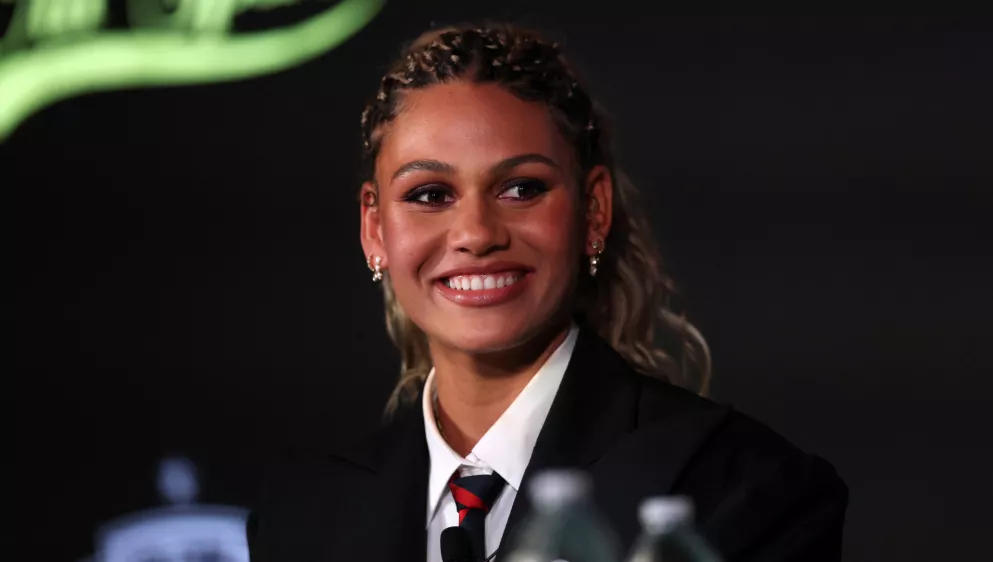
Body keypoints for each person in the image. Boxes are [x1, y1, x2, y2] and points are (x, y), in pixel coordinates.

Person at [246, 23, 848, 562]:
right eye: (430, 195)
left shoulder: (746, 492)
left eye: (521, 189)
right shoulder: (301, 518)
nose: (476, 234)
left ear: (594, 210)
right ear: (375, 230)